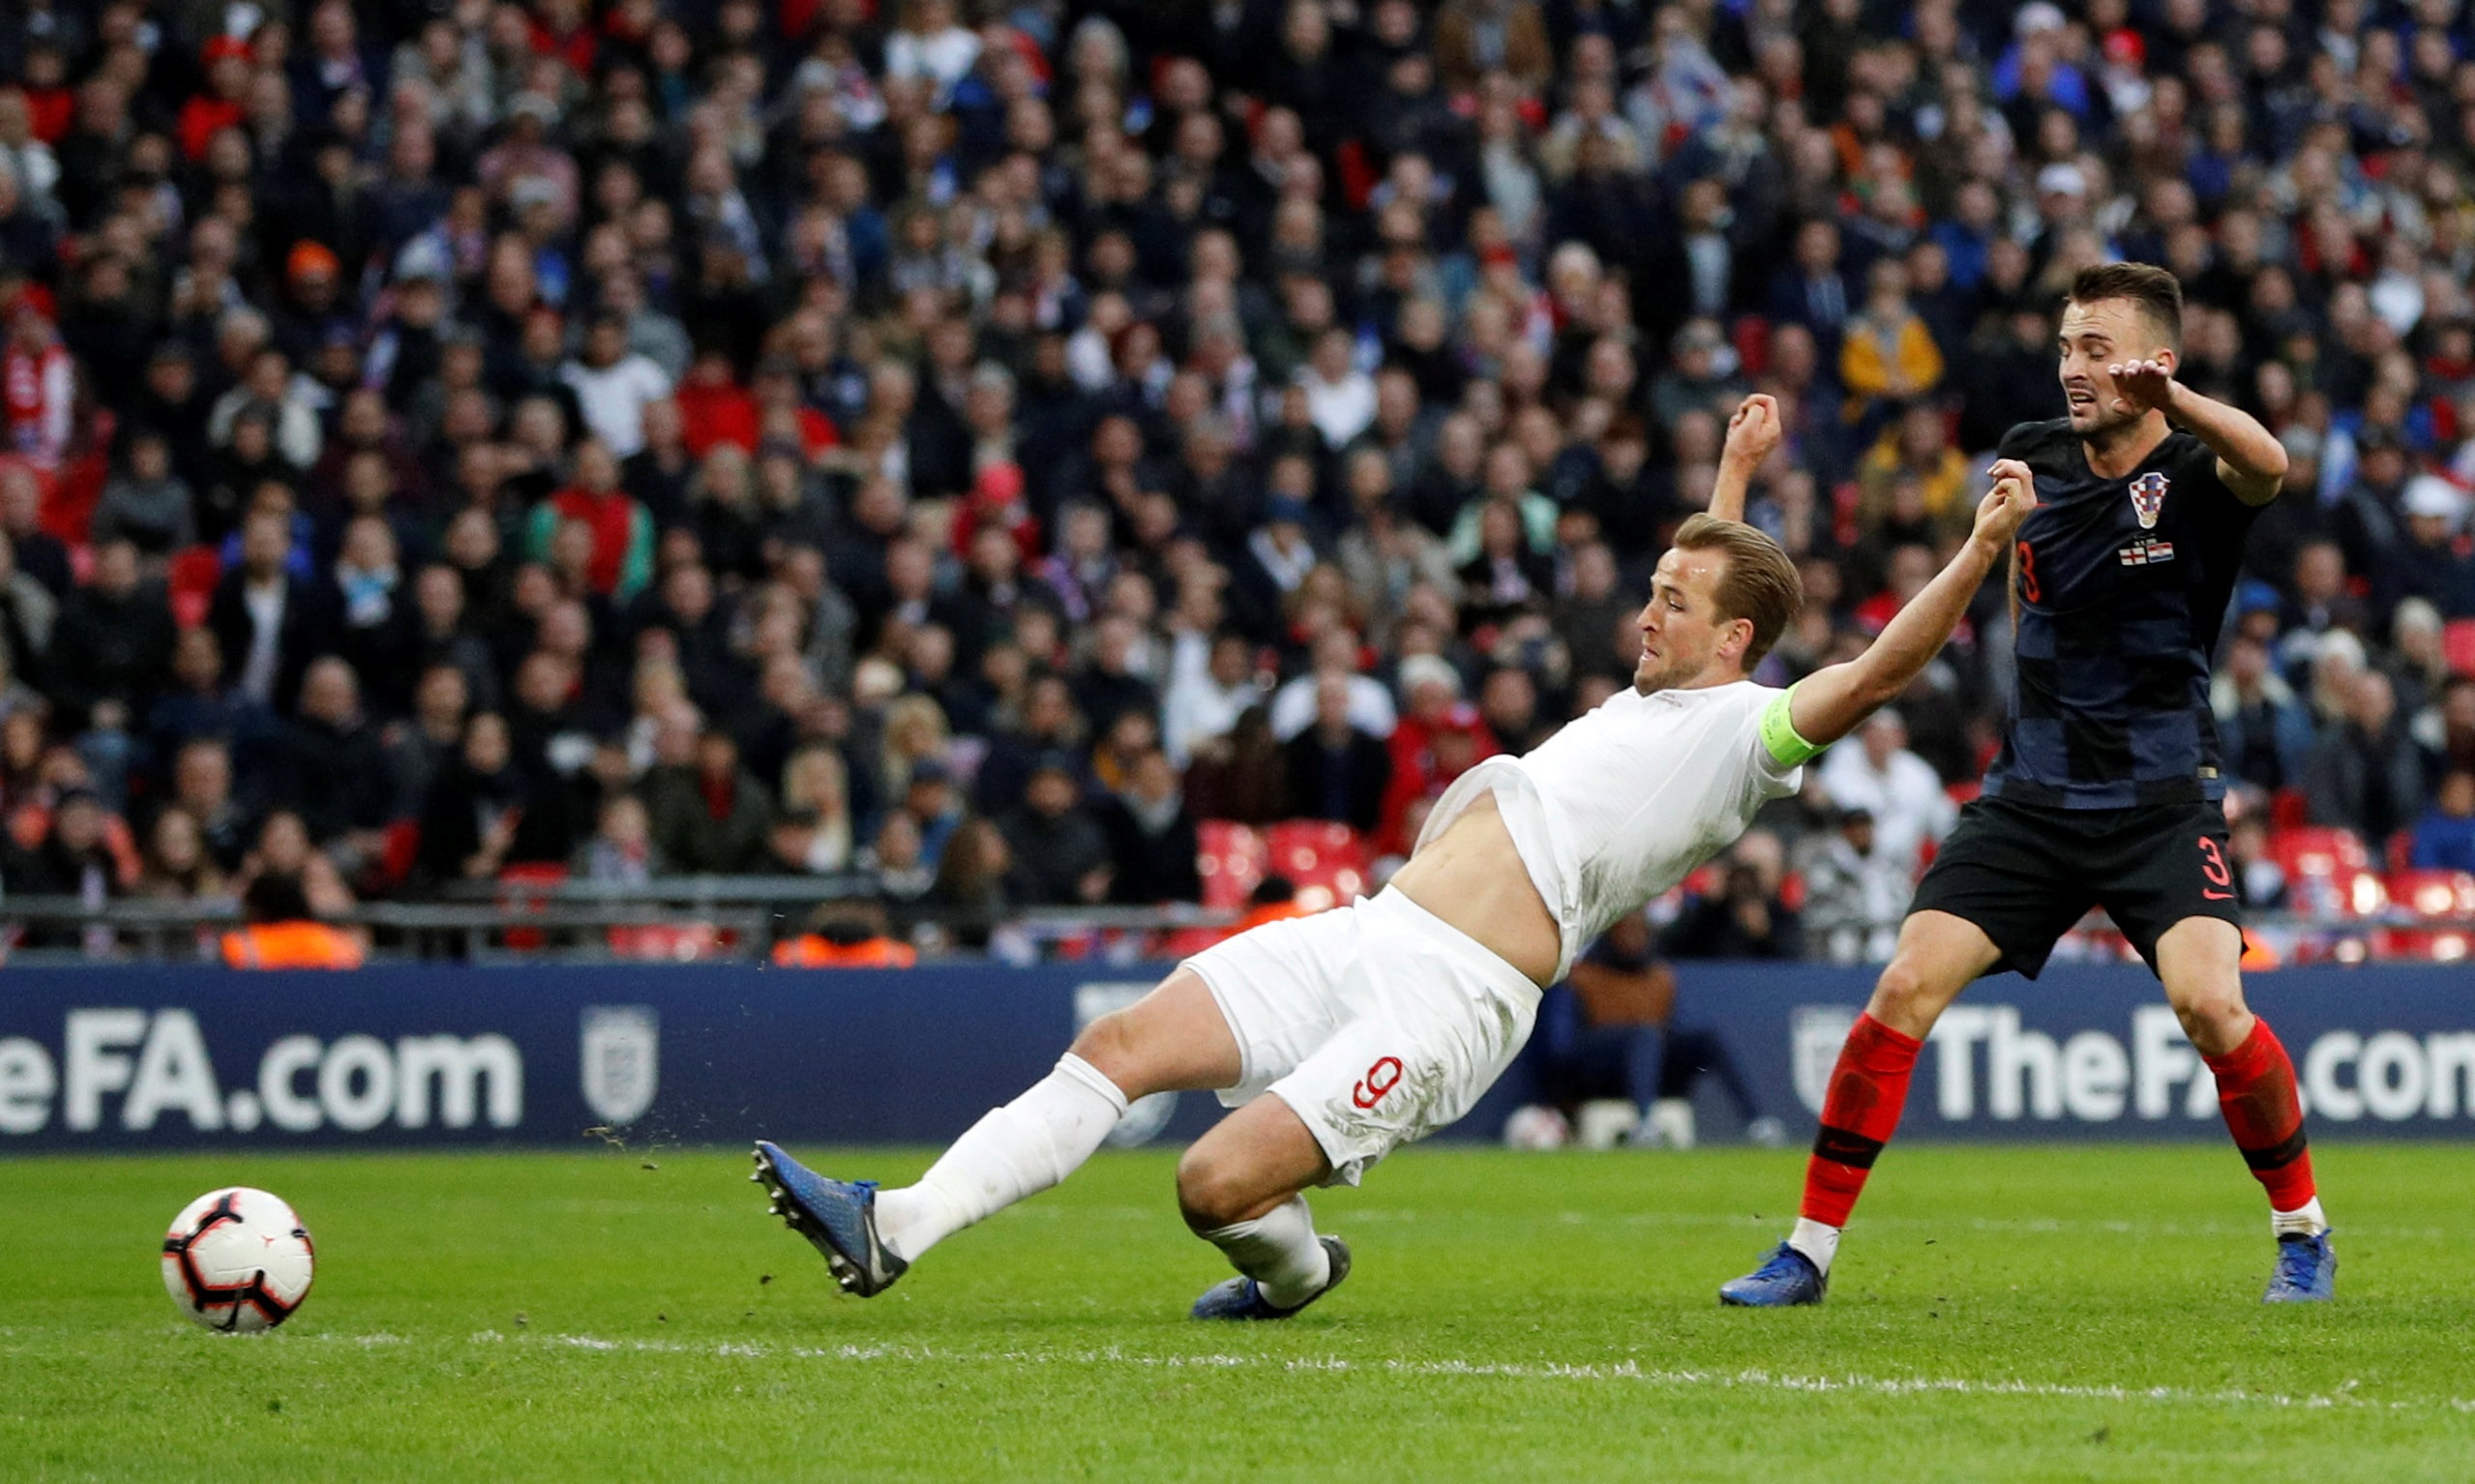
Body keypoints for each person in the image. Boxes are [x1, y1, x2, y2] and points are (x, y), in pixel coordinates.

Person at [752, 392, 2035, 1318]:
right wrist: (1733, 468)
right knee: (1117, 1047)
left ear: (1736, 638)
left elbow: (1871, 669)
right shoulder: (1663, 689)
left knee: (1211, 1185)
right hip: (1365, 930)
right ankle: (895, 1225)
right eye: (1648, 585)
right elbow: (1719, 576)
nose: (1644, 610)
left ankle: (1298, 1269)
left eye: (1670, 601)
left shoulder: (1743, 734)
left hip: (1453, 1000)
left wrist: (1977, 549)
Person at [1721, 263, 2333, 1311]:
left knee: (2207, 1001)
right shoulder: (2028, 456)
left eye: (2096, 349)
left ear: (2154, 362)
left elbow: (2270, 463)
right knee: (1900, 987)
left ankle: (2301, 1233)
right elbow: (2022, 598)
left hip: (2157, 797)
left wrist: (2168, 403)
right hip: (2032, 800)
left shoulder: (2195, 470)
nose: (2072, 369)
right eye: (2065, 348)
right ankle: (1807, 1252)